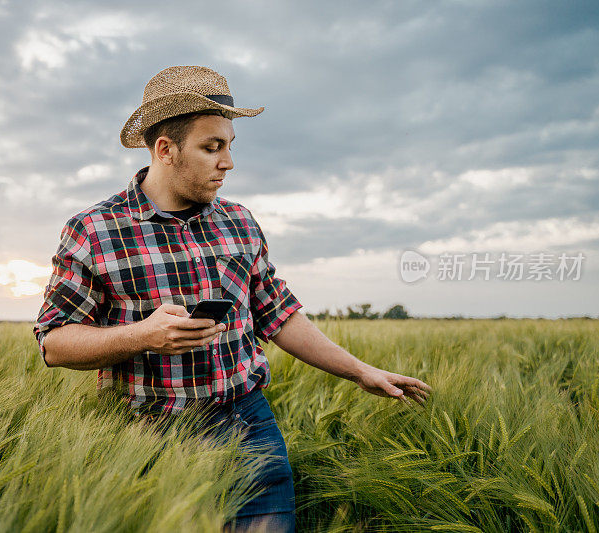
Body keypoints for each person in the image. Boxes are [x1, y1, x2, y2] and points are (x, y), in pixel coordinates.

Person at [33, 65, 432, 533]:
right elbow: (54, 343)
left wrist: (360, 370)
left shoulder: (240, 222)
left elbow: (279, 315)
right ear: (166, 149)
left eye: (229, 146)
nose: (228, 162)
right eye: (212, 147)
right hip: (147, 437)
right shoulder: (94, 230)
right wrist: (145, 335)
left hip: (248, 423)